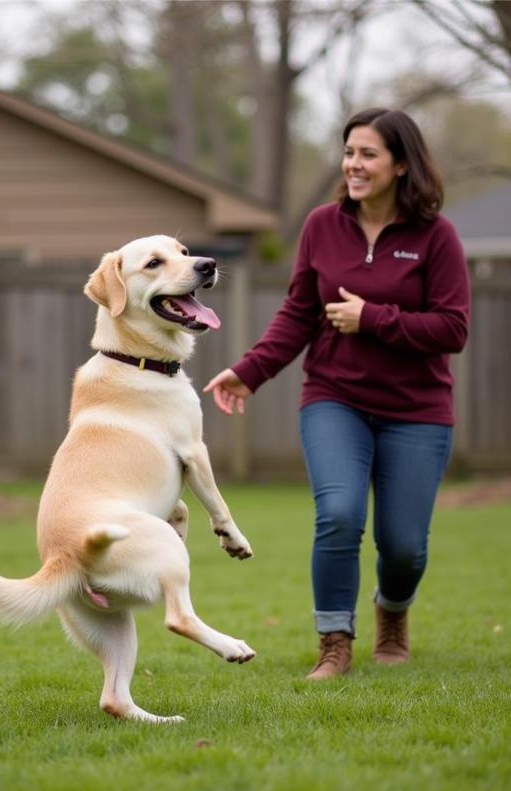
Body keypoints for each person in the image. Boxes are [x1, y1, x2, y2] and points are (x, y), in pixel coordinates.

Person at [204, 108, 470, 679]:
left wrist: (372, 318)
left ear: (401, 164)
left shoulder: (436, 236)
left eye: (368, 154)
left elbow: (453, 328)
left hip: (417, 411)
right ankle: (335, 643)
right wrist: (250, 370)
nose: (354, 164)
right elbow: (299, 313)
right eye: (349, 152)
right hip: (335, 398)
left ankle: (392, 613)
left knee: (403, 546)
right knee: (340, 514)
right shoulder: (323, 225)